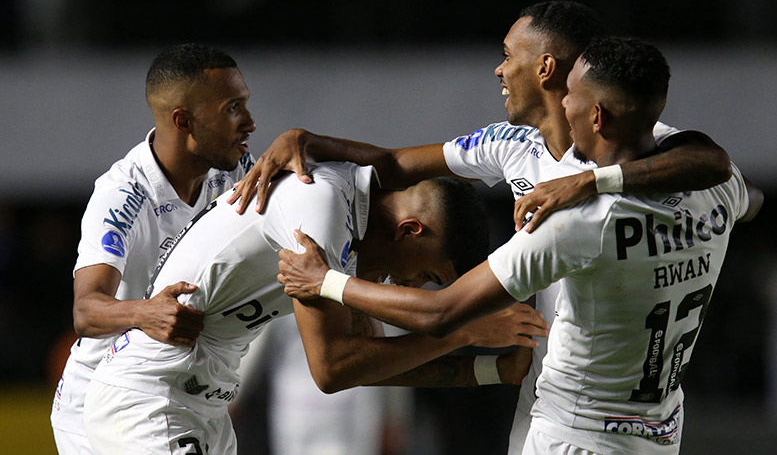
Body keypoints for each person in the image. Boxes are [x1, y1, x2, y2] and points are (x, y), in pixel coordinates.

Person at [228, 0, 737, 453]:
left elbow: (441, 311)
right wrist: (306, 139)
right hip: (646, 419)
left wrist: (589, 184)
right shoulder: (519, 146)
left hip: (575, 419)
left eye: (508, 53)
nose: (499, 68)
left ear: (547, 68)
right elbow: (393, 162)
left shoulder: (574, 219)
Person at [82, 162, 548, 454]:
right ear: (411, 230)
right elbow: (333, 369)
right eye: (426, 275)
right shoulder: (320, 206)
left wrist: (491, 372)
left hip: (199, 409)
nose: (411, 286)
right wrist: (462, 331)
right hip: (153, 398)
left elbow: (369, 363)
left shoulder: (349, 238)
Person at [50, 42, 257, 454]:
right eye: (232, 108)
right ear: (183, 120)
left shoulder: (235, 175)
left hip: (189, 394)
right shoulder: (122, 193)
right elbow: (86, 310)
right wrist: (147, 312)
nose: (249, 122)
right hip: (105, 402)